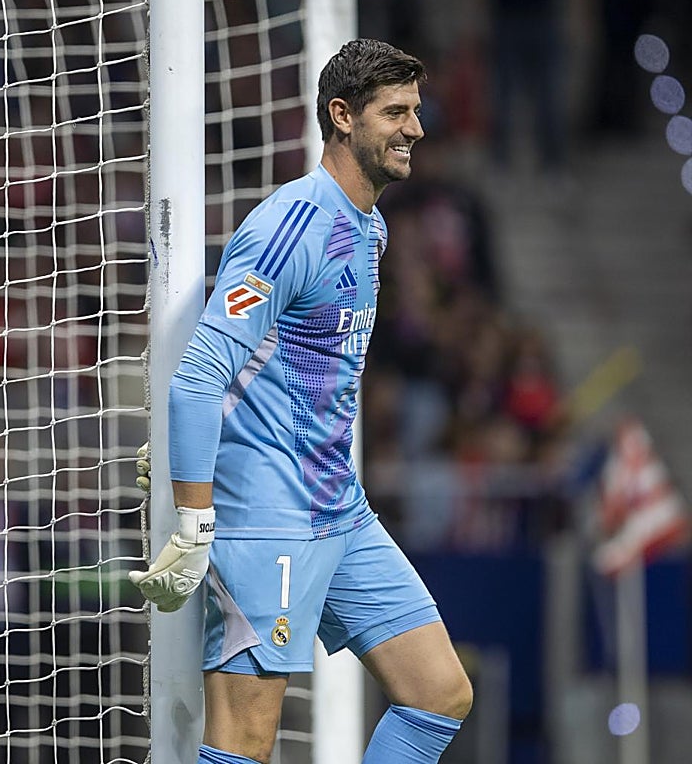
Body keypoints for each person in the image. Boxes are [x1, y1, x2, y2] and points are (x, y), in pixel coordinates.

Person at [129, 39, 472, 764]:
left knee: (439, 692)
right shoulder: (289, 229)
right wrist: (193, 522)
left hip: (339, 508)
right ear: (342, 116)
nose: (416, 129)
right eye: (397, 113)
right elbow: (197, 378)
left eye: (416, 111)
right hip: (264, 517)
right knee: (247, 740)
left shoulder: (369, 226)